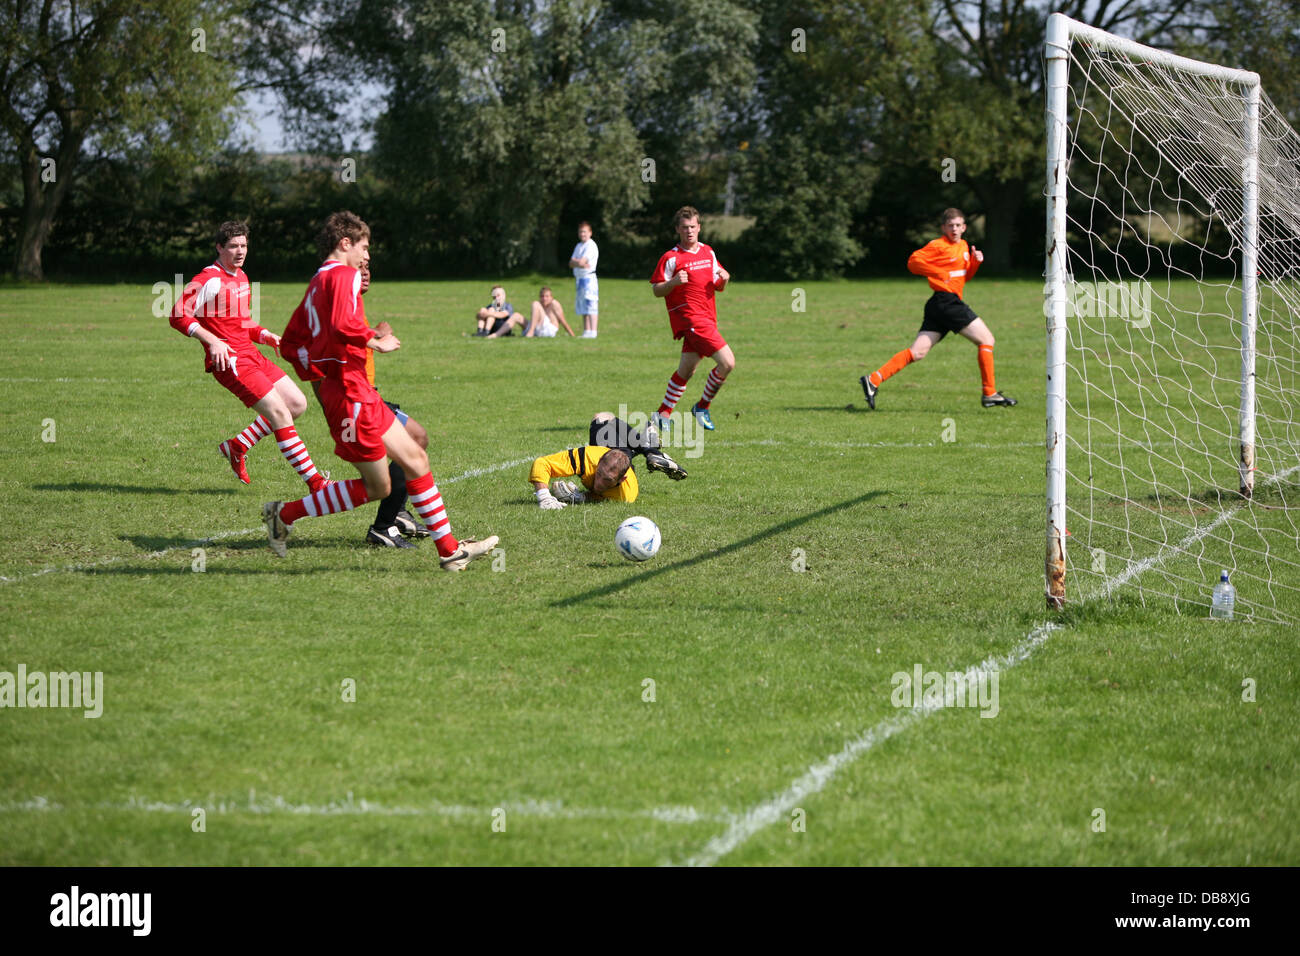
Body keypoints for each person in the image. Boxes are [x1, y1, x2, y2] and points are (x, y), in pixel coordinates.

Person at [267, 210, 498, 570]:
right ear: (345, 243)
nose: (368, 255)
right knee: (378, 487)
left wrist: (319, 372)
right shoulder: (343, 274)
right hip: (349, 395)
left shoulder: (317, 281)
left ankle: (450, 552)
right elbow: (344, 325)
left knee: (416, 459)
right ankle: (284, 514)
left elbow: (291, 343)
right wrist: (373, 341)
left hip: (356, 391)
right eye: (364, 246)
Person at [168, 220, 328, 492]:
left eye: (243, 245)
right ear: (219, 248)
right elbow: (177, 313)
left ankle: (237, 446)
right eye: (232, 246)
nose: (240, 251)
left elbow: (242, 323)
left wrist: (267, 336)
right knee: (279, 413)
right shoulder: (208, 279)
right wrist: (211, 341)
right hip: (230, 361)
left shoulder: (240, 276)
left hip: (251, 355)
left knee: (296, 404)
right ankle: (317, 484)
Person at [285, 259, 431, 549]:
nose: (364, 275)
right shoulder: (334, 314)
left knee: (415, 443)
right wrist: (376, 336)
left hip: (369, 398)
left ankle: (395, 513)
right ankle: (387, 524)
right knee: (409, 448)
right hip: (355, 405)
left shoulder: (352, 310)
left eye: (368, 270)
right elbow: (325, 360)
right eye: (359, 269)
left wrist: (374, 332)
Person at [860, 208, 1016, 409]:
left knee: (918, 352)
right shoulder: (938, 245)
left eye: (958, 225)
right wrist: (938, 272)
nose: (954, 229)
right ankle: (989, 393)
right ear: (943, 228)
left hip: (939, 304)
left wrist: (976, 263)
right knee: (987, 340)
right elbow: (913, 262)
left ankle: (873, 380)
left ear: (964, 227)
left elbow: (963, 278)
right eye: (950, 225)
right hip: (946, 302)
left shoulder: (965, 246)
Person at [649, 206, 733, 432]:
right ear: (677, 229)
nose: (689, 231)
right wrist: (673, 283)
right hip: (692, 320)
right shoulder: (671, 257)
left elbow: (718, 285)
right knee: (727, 362)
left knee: (686, 370)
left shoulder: (708, 252)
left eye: (693, 227)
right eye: (684, 228)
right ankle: (702, 407)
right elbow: (657, 290)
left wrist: (724, 279)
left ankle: (662, 413)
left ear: (699, 228)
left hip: (708, 318)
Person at [529, 412, 687, 510]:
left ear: (622, 479)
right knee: (602, 417)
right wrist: (544, 496)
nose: (598, 483)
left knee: (602, 418)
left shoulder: (627, 494)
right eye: (599, 474)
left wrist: (579, 497)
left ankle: (646, 446)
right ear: (598, 464)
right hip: (604, 451)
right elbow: (542, 463)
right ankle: (649, 449)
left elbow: (600, 496)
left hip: (623, 461)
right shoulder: (589, 457)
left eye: (607, 480)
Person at [569, 221, 600, 338]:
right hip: (580, 278)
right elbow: (571, 263)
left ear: (590, 233)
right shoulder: (578, 246)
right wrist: (578, 263)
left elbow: (582, 262)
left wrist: (577, 262)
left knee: (591, 303)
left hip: (589, 278)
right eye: (581, 232)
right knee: (583, 305)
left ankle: (593, 331)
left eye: (585, 232)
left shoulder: (591, 245)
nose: (582, 234)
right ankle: (586, 330)